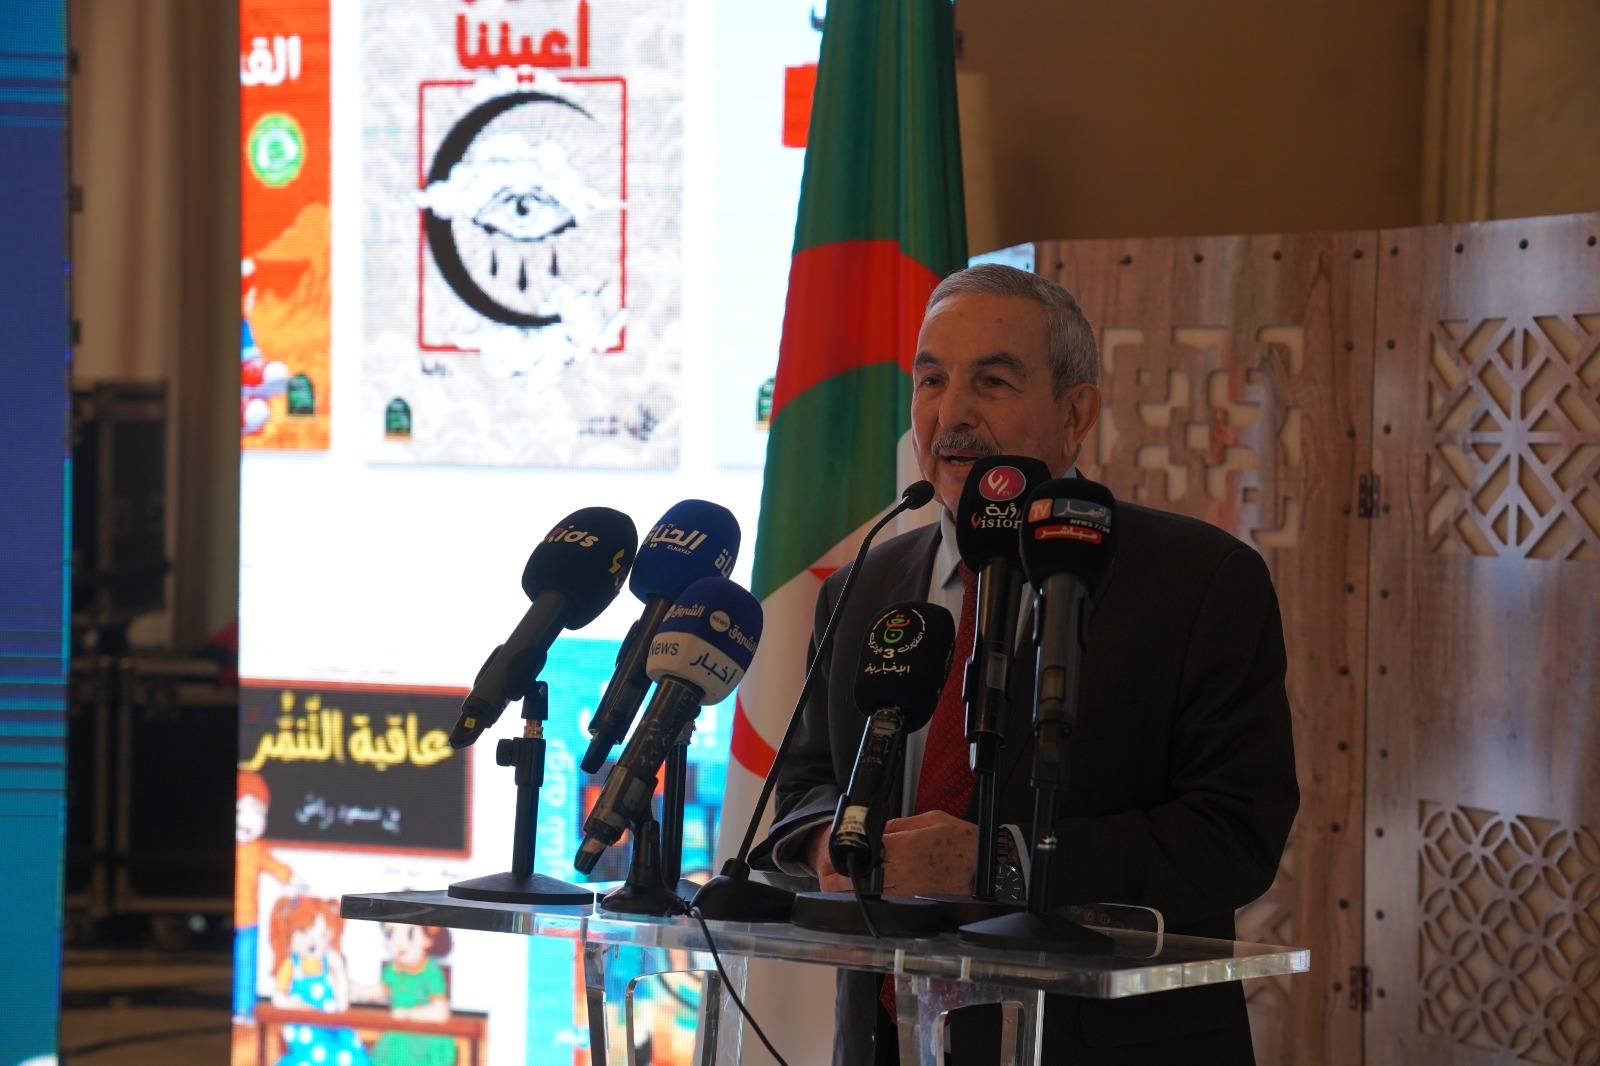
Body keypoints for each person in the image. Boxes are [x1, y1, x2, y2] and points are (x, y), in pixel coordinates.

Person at [752, 263, 1299, 1065]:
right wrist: (826, 845)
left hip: (1109, 1047)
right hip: (888, 1041)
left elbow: (1233, 834)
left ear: (1076, 414)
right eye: (931, 379)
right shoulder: (864, 584)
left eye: (993, 381)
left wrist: (996, 863)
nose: (952, 414)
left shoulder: (1200, 582)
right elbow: (804, 785)